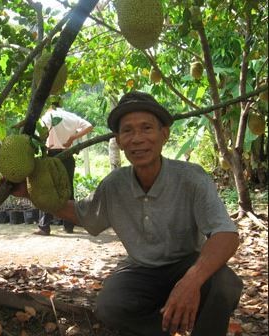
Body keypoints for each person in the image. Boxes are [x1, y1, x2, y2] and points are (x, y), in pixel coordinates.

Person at [14, 91, 243, 335]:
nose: (137, 139)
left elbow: (226, 234)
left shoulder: (191, 178)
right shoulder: (114, 185)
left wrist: (191, 282)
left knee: (225, 284)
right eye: (128, 131)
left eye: (146, 128)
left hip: (186, 262)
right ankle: (161, 328)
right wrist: (30, 193)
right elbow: (82, 214)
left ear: (164, 135)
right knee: (109, 305)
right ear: (119, 141)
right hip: (141, 270)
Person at [35, 96, 93, 236]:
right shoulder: (70, 116)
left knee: (48, 188)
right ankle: (69, 225)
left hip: (52, 156)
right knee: (68, 189)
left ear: (50, 105)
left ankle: (45, 226)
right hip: (68, 155)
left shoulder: (48, 116)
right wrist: (73, 138)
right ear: (61, 104)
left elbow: (40, 133)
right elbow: (89, 126)